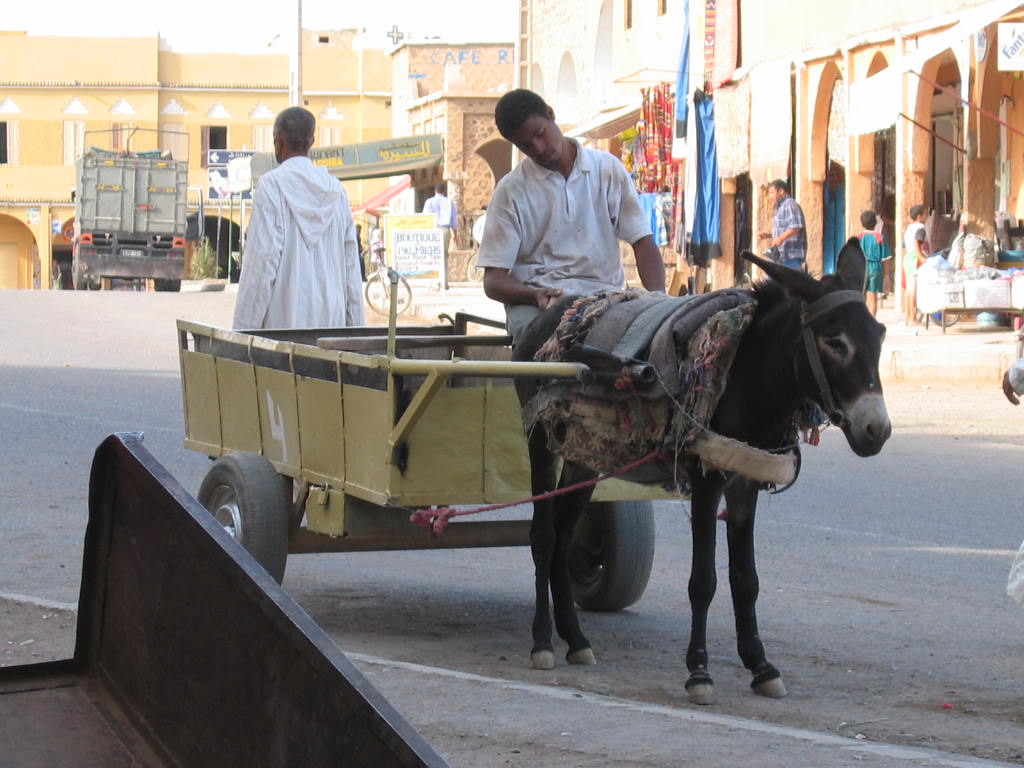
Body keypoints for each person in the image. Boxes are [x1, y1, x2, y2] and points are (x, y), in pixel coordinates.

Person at [476, 88, 665, 342]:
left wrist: (661, 302)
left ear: (551, 115)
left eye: (539, 134)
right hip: (537, 304)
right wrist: (534, 295)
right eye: (526, 146)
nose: (539, 148)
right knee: (537, 342)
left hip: (604, 297)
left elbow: (642, 242)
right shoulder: (511, 191)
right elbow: (494, 281)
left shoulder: (606, 169)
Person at [233, 107, 365, 329]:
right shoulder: (336, 191)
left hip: (284, 325)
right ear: (311, 141)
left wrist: (242, 332)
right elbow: (351, 267)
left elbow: (261, 264)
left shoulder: (272, 186)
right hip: (332, 325)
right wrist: (356, 332)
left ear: (280, 140)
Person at [759, 179, 807, 270]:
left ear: (781, 191)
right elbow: (786, 230)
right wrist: (768, 235)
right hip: (781, 257)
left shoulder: (790, 205)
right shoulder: (780, 207)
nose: (770, 196)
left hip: (791, 257)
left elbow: (796, 227)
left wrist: (781, 238)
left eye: (772, 193)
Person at [422, 181, 459, 289]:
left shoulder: (429, 202)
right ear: (444, 191)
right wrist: (455, 235)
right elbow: (453, 221)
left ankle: (435, 282)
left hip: (433, 229)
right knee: (444, 256)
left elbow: (425, 218)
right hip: (445, 230)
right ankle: (444, 283)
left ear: (435, 190)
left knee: (433, 256)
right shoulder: (449, 202)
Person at [857, 210, 892, 316]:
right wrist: (886, 275)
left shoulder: (858, 237)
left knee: (862, 296)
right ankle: (872, 321)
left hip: (862, 267)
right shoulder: (880, 237)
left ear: (862, 223)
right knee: (873, 297)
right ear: (875, 223)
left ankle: (864, 320)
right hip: (876, 268)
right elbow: (886, 259)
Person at [902, 204, 929, 326]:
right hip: (915, 258)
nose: (927, 216)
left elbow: (905, 246)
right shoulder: (920, 227)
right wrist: (921, 257)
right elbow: (916, 243)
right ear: (919, 216)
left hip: (908, 257)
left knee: (908, 289)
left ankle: (908, 317)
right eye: (925, 214)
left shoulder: (909, 228)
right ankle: (913, 318)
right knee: (913, 289)